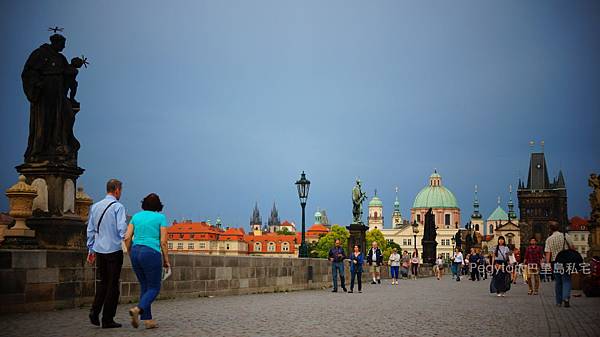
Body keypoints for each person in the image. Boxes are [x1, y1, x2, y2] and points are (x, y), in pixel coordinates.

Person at [125, 193, 171, 329]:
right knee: (154, 288)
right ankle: (138, 309)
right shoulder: (160, 218)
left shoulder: (136, 217)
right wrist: (166, 260)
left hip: (136, 252)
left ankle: (148, 320)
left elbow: (127, 237)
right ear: (158, 205)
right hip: (151, 253)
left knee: (145, 286)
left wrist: (130, 252)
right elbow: (163, 242)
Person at [86, 179, 127, 329]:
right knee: (113, 285)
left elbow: (90, 229)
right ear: (116, 190)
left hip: (99, 250)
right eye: (120, 190)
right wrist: (128, 239)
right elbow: (121, 229)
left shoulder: (95, 207)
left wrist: (91, 249)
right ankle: (107, 319)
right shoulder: (118, 207)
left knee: (103, 282)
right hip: (114, 250)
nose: (120, 193)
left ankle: (94, 311)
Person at [544, 222, 575, 307]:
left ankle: (558, 302)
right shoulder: (565, 236)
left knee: (558, 282)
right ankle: (566, 297)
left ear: (550, 229)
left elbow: (548, 253)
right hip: (566, 261)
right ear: (558, 228)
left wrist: (548, 264)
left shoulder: (549, 239)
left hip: (556, 262)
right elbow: (573, 248)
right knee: (566, 279)